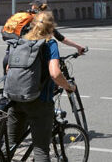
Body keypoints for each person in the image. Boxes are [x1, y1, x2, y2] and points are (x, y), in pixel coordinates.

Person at [7, 11, 75, 162]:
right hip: (39, 102)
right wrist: (68, 86)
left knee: (10, 147)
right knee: (41, 150)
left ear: (32, 26)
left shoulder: (22, 41)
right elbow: (55, 73)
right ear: (52, 28)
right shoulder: (50, 43)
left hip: (15, 99)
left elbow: (8, 69)